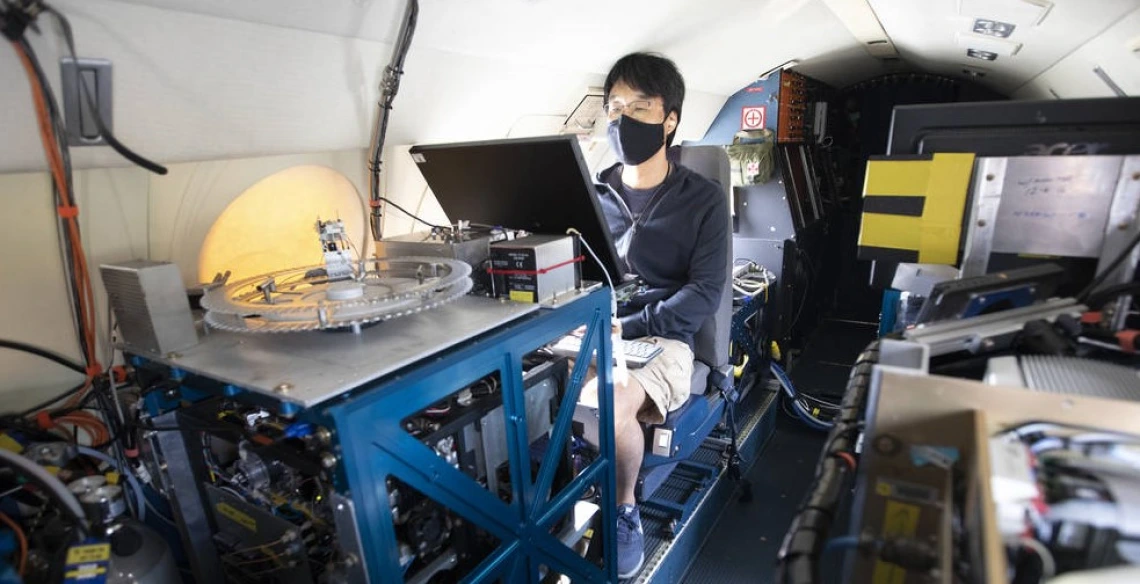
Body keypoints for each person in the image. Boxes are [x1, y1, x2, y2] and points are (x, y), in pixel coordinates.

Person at [593, 52, 729, 578]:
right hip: (597, 327)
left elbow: (705, 292)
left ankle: (624, 510)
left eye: (640, 107)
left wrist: (632, 327)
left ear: (669, 120)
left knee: (614, 396)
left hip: (666, 338)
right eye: (615, 106)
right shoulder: (593, 191)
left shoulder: (704, 200)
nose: (623, 119)